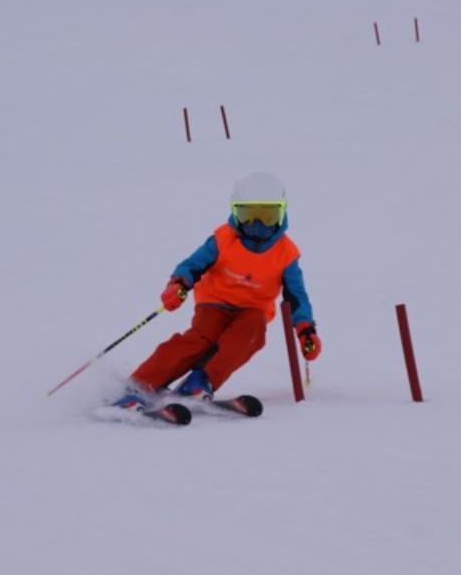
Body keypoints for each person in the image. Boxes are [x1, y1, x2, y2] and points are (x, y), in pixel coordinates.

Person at [114, 171, 320, 409]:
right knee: (201, 338)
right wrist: (178, 285)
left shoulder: (286, 253)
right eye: (248, 215)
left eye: (267, 216)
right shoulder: (223, 239)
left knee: (251, 334)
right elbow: (193, 265)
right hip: (214, 303)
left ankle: (200, 382)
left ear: (282, 212)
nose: (258, 225)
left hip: (253, 310)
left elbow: (296, 296)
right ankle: (142, 383)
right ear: (235, 212)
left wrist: (306, 330)